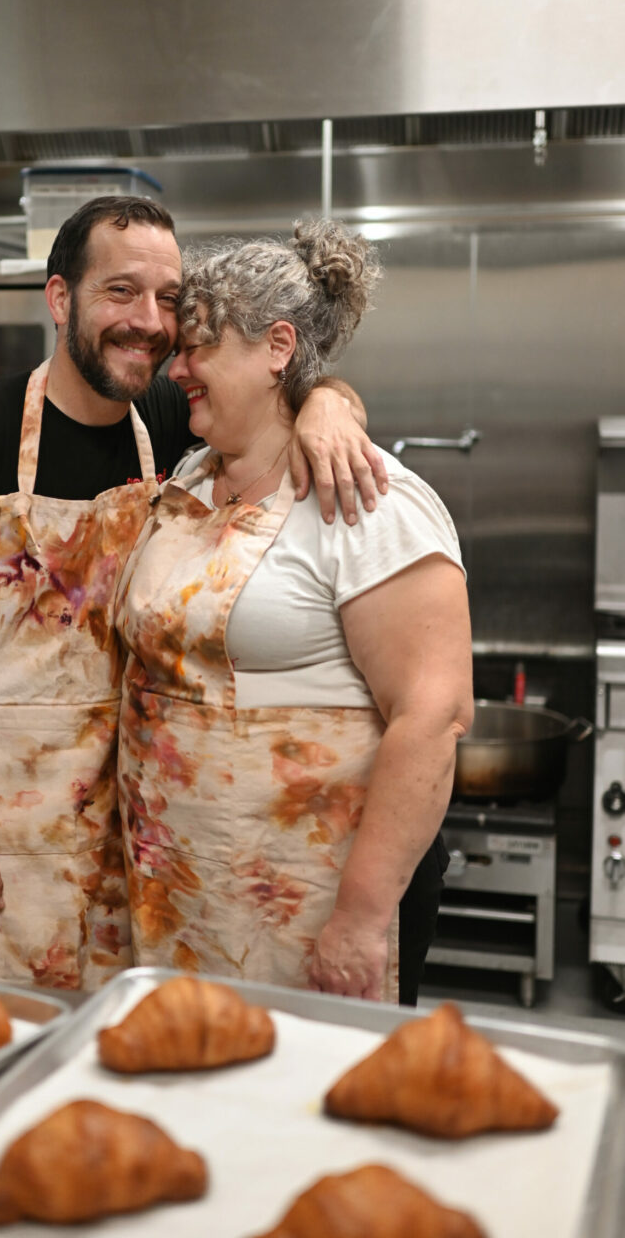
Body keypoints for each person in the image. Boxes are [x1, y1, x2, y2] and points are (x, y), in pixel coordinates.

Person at [0, 196, 386, 992]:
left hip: (136, 858)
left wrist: (329, 405)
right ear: (59, 298)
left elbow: (286, 387)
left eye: (168, 299)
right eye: (119, 292)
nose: (149, 322)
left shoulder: (177, 416)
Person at [115, 219, 473, 1005]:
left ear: (277, 348)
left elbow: (432, 714)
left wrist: (358, 918)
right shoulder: (189, 477)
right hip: (175, 895)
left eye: (198, 346)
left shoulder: (368, 498)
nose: (177, 368)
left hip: (305, 912)